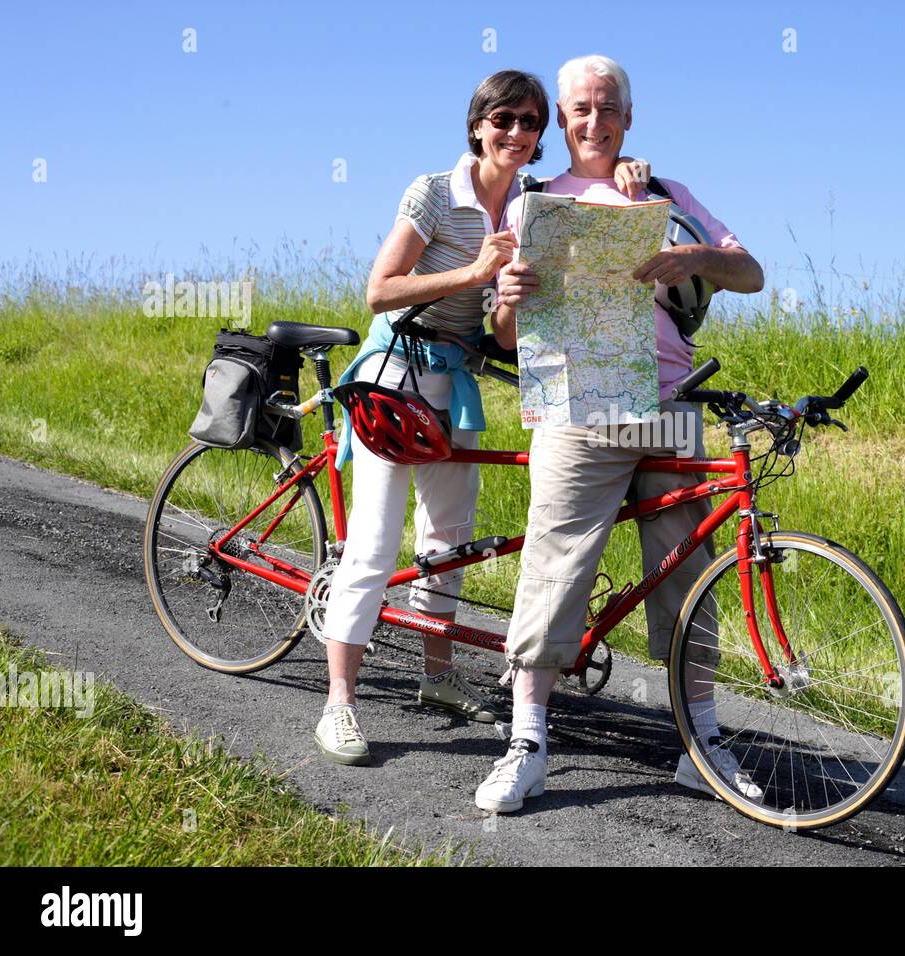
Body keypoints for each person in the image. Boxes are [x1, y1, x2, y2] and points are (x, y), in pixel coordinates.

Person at [315, 70, 647, 766]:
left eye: (530, 123)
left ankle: (437, 679)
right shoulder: (435, 191)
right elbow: (380, 291)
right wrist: (472, 273)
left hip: (455, 383)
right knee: (374, 545)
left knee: (449, 541)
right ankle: (339, 702)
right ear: (477, 126)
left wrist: (624, 179)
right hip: (395, 376)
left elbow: (502, 336)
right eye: (504, 121)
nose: (518, 135)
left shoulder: (530, 206)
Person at [478, 54, 764, 810]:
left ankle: (699, 743)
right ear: (561, 121)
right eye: (579, 108)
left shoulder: (665, 194)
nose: (594, 121)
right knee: (554, 567)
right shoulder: (532, 203)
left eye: (607, 107)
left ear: (628, 117)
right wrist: (506, 296)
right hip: (576, 406)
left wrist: (690, 254)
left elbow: (752, 272)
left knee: (687, 576)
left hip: (669, 401)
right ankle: (527, 742)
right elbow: (507, 338)